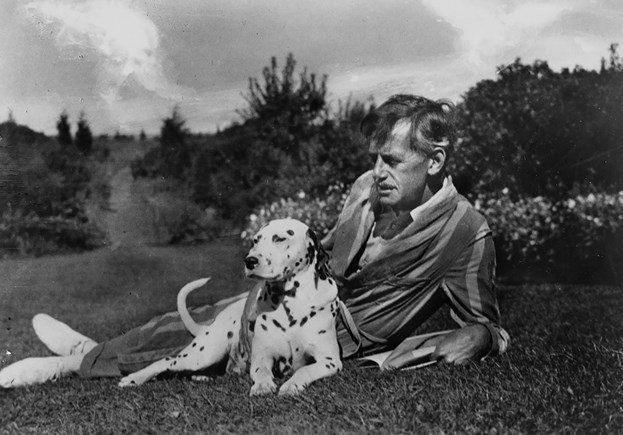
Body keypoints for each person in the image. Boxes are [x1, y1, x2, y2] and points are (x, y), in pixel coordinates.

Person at [0, 94, 509, 387]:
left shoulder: (468, 231)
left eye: (391, 161)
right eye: (375, 157)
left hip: (331, 342)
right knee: (176, 326)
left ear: (436, 161)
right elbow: (324, 254)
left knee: (191, 343)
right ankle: (83, 353)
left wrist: (481, 338)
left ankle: (71, 362)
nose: (376, 171)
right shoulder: (365, 190)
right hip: (286, 300)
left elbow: (484, 323)